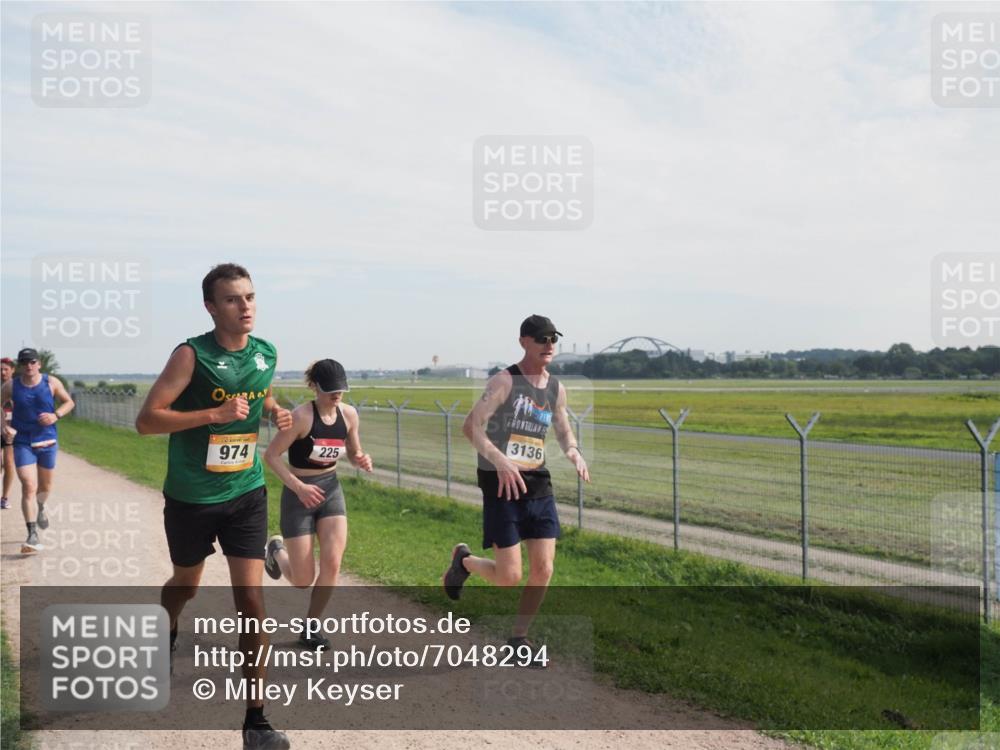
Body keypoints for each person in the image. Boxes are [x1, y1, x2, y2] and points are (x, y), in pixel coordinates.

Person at [135, 263, 293, 750]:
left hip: (245, 492)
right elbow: (147, 420)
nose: (244, 306)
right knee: (186, 583)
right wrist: (213, 415)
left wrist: (274, 410)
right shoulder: (191, 355)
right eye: (232, 299)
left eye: (249, 297)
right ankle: (168, 627)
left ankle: (256, 721)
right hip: (191, 497)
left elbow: (256, 392)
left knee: (251, 604)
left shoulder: (265, 352)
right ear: (211, 306)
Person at [443, 315, 590, 662]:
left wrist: (573, 450)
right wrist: (500, 460)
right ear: (524, 341)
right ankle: (464, 562)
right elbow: (471, 426)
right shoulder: (504, 381)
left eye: (553, 338)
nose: (549, 345)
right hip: (502, 483)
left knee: (544, 569)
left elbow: (563, 428)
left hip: (537, 482)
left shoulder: (555, 387)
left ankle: (518, 641)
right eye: (541, 338)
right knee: (509, 577)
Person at [263, 359, 373, 650]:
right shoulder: (300, 417)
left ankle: (311, 627)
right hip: (298, 494)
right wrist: (299, 487)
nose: (337, 395)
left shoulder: (349, 415)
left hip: (330, 490)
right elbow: (271, 456)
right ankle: (276, 551)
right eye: (330, 391)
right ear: (314, 387)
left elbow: (353, 450)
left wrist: (361, 458)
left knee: (333, 563)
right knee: (302, 579)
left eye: (341, 390)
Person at [0, 348, 75, 553]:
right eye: (24, 362)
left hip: (47, 441)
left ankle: (41, 508)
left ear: (39, 364)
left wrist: (55, 415)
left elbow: (69, 402)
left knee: (44, 487)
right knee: (28, 486)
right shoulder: (11, 386)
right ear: (21, 365)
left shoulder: (51, 383)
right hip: (23, 442)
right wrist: (3, 426)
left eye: (32, 362)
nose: (29, 366)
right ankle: (32, 535)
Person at [1, 357, 16, 510]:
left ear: (12, 370)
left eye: (6, 369)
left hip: (11, 431)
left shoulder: (18, 386)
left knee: (9, 463)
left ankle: (4, 498)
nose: (3, 372)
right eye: (0, 369)